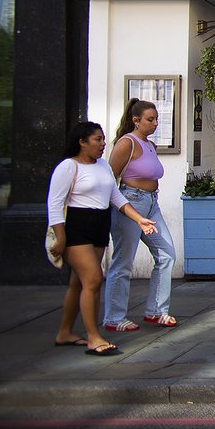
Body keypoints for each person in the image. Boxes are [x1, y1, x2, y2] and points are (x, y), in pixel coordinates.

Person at [47, 122, 157, 355]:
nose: (102, 144)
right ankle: (94, 337)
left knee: (79, 283)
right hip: (77, 227)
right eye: (97, 139)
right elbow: (54, 204)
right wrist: (60, 237)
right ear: (82, 142)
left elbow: (116, 197)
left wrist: (139, 219)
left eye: (103, 139)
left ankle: (65, 332)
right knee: (94, 280)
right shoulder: (68, 166)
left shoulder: (103, 167)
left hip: (99, 225)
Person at [102, 99, 178, 332]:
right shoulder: (127, 143)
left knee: (166, 254)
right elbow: (109, 179)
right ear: (136, 120)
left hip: (151, 203)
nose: (155, 123)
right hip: (130, 202)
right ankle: (114, 318)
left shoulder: (149, 144)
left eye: (156, 119)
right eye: (150, 119)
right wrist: (121, 208)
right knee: (123, 262)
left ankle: (156, 311)